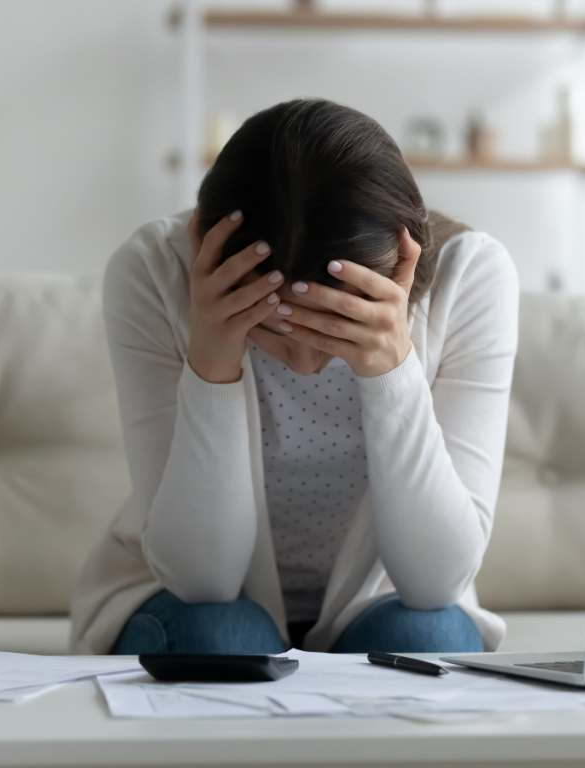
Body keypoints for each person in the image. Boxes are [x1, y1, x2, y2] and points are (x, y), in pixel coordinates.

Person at [69, 98, 519, 656]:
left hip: (386, 600)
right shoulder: (155, 273)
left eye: (338, 328)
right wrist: (212, 361)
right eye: (273, 331)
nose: (305, 363)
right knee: (225, 637)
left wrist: (391, 371)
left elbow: (436, 585)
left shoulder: (470, 274)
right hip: (181, 599)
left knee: (430, 636)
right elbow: (202, 581)